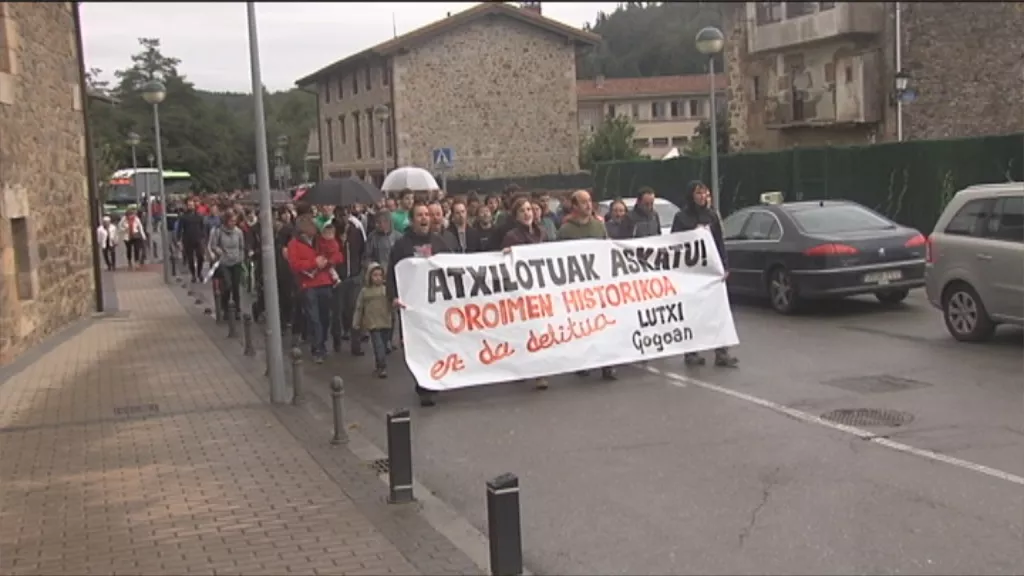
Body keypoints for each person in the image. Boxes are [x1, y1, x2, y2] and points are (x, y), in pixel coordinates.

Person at [387, 202, 452, 407]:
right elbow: (392, 273)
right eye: (420, 215)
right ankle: (424, 386)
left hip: (435, 304)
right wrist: (393, 296)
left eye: (427, 215)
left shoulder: (440, 242)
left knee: (436, 343)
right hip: (413, 306)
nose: (425, 218)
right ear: (412, 219)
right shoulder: (402, 245)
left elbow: (455, 267)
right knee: (420, 346)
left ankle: (435, 379)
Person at [671, 180, 739, 368]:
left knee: (717, 311)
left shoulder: (712, 216)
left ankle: (721, 352)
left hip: (711, 271)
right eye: (699, 193)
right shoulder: (681, 218)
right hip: (692, 272)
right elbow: (675, 244)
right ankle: (691, 352)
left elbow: (719, 243)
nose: (703, 197)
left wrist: (724, 266)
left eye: (705, 193)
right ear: (691, 196)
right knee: (693, 312)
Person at [557, 189, 617, 381]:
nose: (588, 205)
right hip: (577, 285)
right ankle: (583, 361)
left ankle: (606, 364)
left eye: (589, 201)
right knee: (582, 325)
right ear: (574, 206)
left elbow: (607, 248)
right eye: (583, 202)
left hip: (598, 284)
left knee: (603, 323)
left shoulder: (599, 226)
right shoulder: (566, 231)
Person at [500, 197, 549, 390]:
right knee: (524, 331)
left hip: (540, 288)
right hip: (521, 291)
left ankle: (540, 372)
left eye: (529, 209)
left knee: (540, 329)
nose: (528, 213)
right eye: (523, 211)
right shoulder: (512, 237)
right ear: (516, 216)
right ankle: (523, 365)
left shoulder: (542, 233)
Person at [287, 215, 336, 363]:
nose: (313, 228)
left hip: (324, 281)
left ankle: (322, 342)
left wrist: (328, 258)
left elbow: (335, 254)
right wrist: (312, 263)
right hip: (308, 284)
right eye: (309, 225)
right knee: (314, 318)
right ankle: (317, 348)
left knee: (325, 316)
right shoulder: (294, 244)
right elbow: (294, 265)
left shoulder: (319, 240)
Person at [352, 263, 392, 378]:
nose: (378, 278)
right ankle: (382, 366)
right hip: (373, 323)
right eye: (375, 275)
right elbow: (359, 308)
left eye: (380, 275)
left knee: (383, 345)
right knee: (378, 345)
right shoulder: (365, 292)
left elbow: (393, 305)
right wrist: (356, 322)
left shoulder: (386, 290)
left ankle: (379, 364)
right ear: (369, 276)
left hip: (386, 322)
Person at [208, 210, 247, 320]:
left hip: (236, 261)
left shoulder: (238, 232)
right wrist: (219, 251)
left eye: (234, 221)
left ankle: (237, 309)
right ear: (226, 221)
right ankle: (225, 307)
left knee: (236, 286)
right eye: (231, 221)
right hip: (224, 262)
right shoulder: (219, 231)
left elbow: (241, 246)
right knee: (227, 285)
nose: (233, 223)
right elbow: (214, 245)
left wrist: (240, 258)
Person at [176, 198, 207, 282]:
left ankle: (199, 272)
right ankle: (193, 275)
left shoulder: (199, 216)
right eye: (189, 205)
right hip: (188, 240)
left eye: (192, 205)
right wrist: (178, 240)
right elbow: (179, 229)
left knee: (200, 257)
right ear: (187, 206)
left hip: (198, 239)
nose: (191, 206)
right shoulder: (183, 217)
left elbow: (202, 227)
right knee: (190, 259)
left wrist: (203, 237)